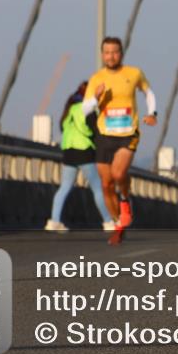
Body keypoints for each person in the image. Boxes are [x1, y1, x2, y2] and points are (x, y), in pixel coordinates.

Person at [83, 37, 157, 245]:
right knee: (106, 185)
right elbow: (85, 109)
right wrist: (95, 98)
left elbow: (148, 93)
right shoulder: (96, 78)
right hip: (104, 135)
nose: (111, 56)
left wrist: (152, 113)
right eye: (107, 52)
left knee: (118, 174)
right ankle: (118, 223)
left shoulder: (133, 73)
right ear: (102, 54)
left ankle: (125, 199)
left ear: (121, 53)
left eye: (115, 52)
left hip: (127, 134)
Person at [45, 81, 115, 232]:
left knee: (64, 187)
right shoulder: (86, 110)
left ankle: (54, 221)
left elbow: (62, 128)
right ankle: (108, 222)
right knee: (97, 188)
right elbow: (96, 131)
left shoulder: (69, 110)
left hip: (68, 151)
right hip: (84, 151)